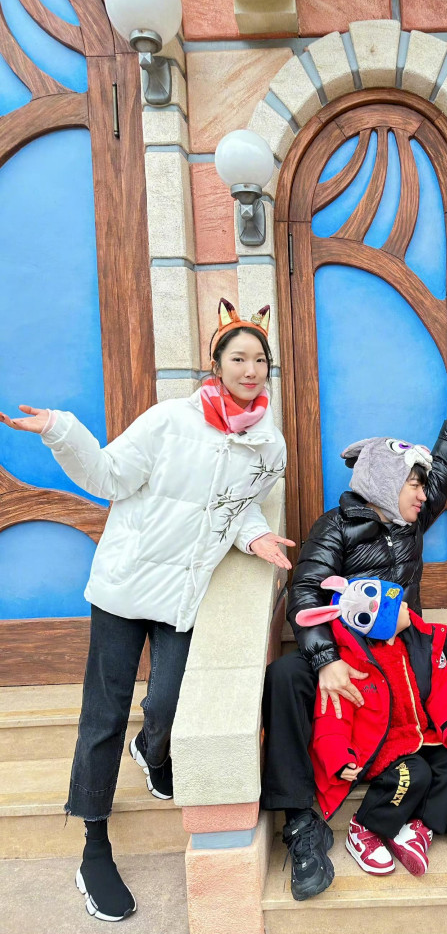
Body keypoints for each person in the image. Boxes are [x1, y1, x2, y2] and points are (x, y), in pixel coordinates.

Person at [0, 298, 293, 922]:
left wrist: (255, 537)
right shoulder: (169, 421)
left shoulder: (269, 446)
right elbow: (108, 476)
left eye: (260, 361)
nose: (250, 370)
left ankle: (153, 751)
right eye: (238, 358)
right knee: (103, 717)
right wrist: (61, 430)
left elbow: (236, 505)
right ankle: (93, 846)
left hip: (182, 595)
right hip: (125, 587)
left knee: (168, 704)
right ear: (215, 366)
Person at [261, 377, 447, 902]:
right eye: (414, 484)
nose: (423, 494)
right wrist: (324, 660)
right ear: (387, 482)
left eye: (422, 487)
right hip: (349, 650)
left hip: (409, 641)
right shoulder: (335, 526)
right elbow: (304, 591)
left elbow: (444, 471)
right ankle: (300, 821)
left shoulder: (409, 522)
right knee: (283, 678)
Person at [296, 576, 447, 880]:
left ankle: (418, 828)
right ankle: (365, 828)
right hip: (381, 747)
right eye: (399, 605)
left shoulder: (416, 647)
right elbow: (333, 717)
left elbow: (442, 690)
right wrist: (339, 757)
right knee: (414, 774)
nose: (407, 606)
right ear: (384, 624)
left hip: (419, 738)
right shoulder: (354, 665)